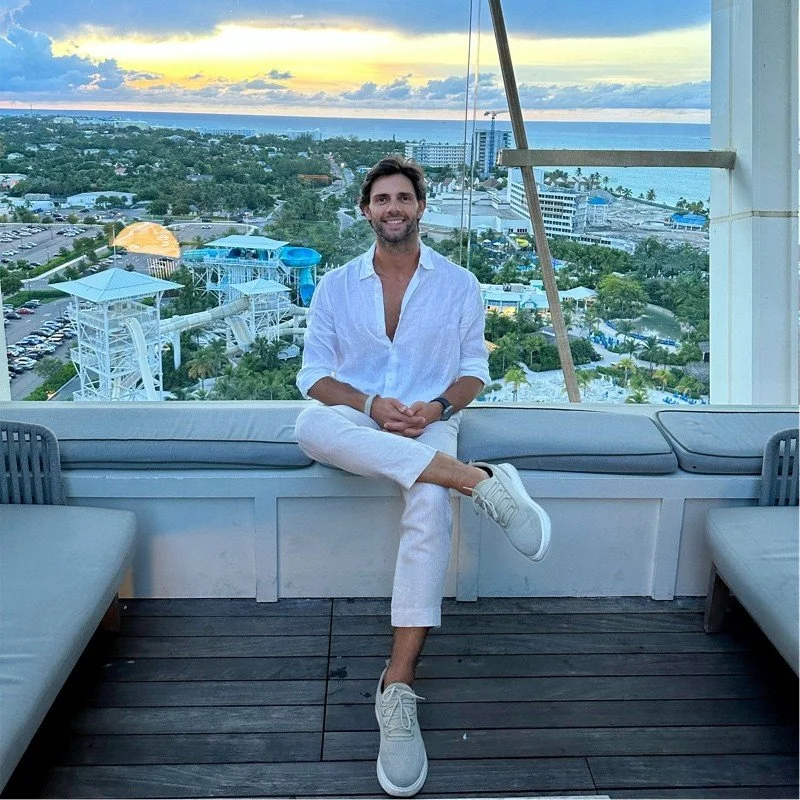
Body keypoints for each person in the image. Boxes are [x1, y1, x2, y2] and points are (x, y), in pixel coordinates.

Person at [294, 155, 551, 798]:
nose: (393, 208)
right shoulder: (335, 286)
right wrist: (369, 405)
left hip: (432, 421)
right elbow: (313, 375)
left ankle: (398, 686)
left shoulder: (459, 284)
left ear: (420, 207)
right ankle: (478, 481)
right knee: (308, 426)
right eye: (381, 198)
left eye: (403, 197)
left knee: (428, 511)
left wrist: (434, 408)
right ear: (366, 210)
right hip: (362, 419)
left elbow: (472, 372)